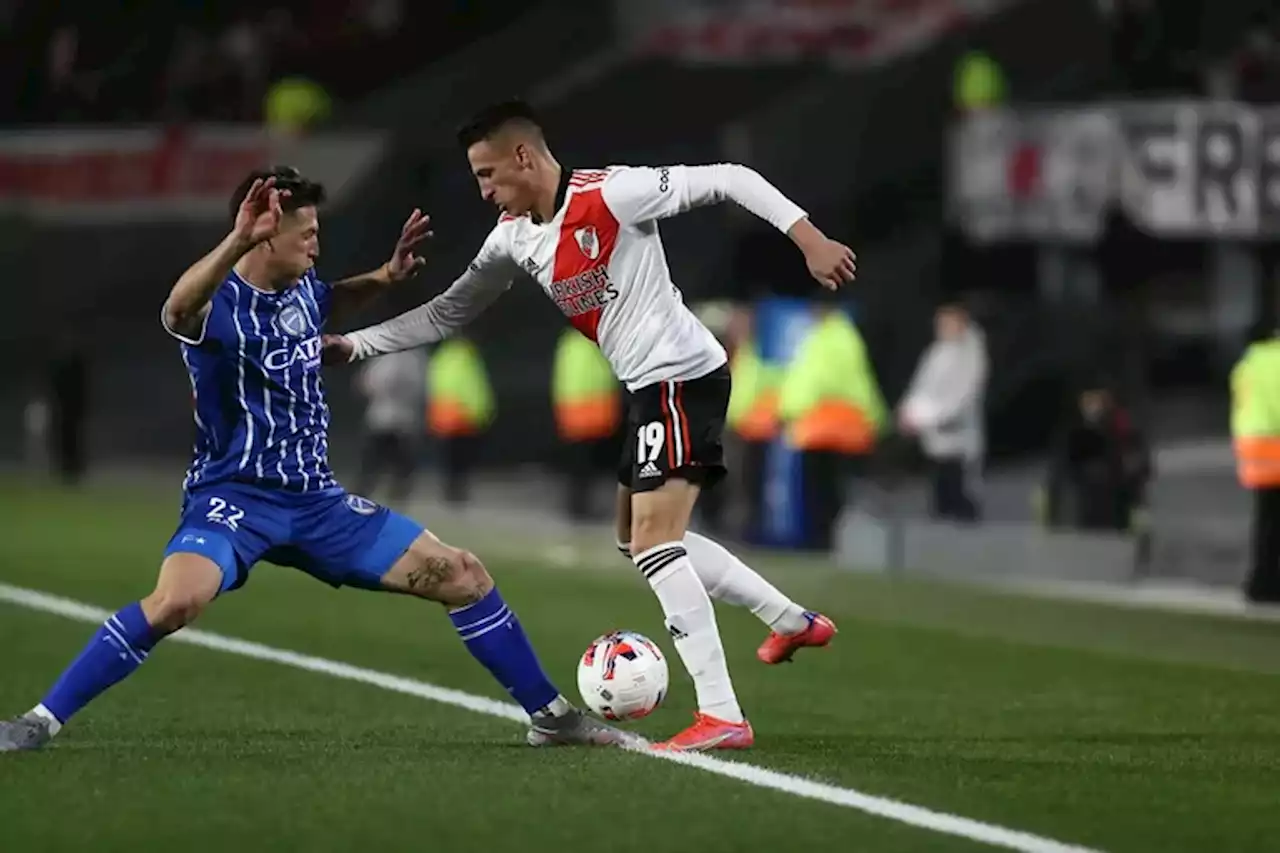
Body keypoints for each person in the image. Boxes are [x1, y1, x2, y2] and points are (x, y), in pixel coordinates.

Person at [0, 166, 631, 753]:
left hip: (318, 502)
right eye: (305, 234)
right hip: (234, 498)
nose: (315, 246)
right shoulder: (213, 306)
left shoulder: (304, 291)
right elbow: (176, 308)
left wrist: (384, 279)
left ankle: (550, 717)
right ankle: (39, 721)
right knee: (175, 604)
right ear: (262, 235)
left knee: (464, 574)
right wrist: (235, 239)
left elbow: (331, 299)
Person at [325, 100, 854, 751]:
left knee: (658, 545)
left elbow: (731, 176)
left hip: (682, 377)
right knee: (637, 540)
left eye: (489, 173)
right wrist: (355, 344)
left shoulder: (613, 193)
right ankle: (790, 619)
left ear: (524, 156)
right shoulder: (513, 238)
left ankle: (722, 713)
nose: (484, 191)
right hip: (647, 389)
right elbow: (444, 314)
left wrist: (810, 239)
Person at [897, 300, 988, 523]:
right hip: (935, 437)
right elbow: (920, 386)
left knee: (958, 493)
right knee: (938, 495)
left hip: (957, 437)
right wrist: (909, 412)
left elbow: (965, 395)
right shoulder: (936, 353)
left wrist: (937, 417)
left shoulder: (971, 354)